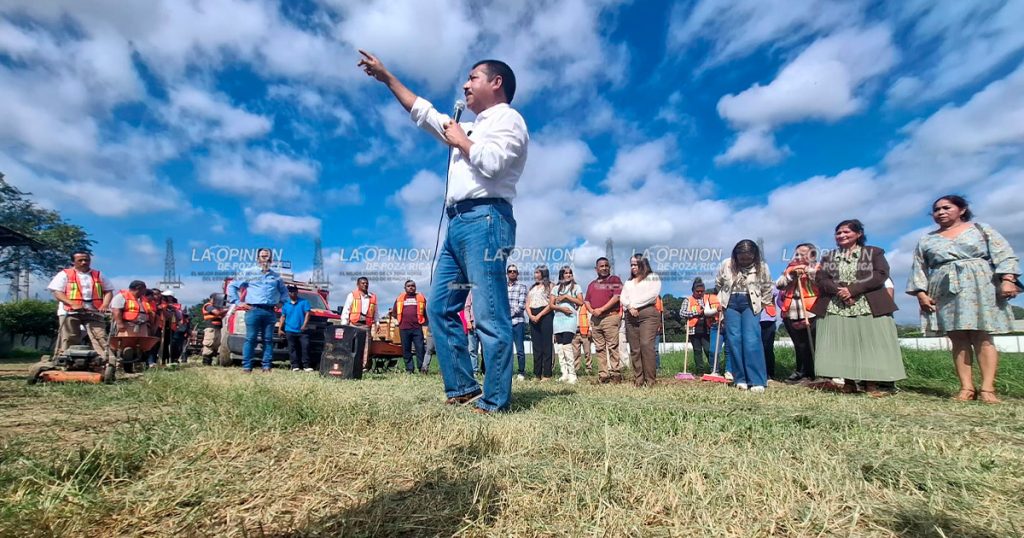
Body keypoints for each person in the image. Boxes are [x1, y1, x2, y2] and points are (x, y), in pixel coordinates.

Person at [359, 51, 527, 413]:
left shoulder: (509, 121)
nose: (465, 85)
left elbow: (494, 164)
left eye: (473, 78)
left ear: (496, 83)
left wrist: (460, 141)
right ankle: (463, 387)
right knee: (438, 307)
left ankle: (495, 399)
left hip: (486, 220)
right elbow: (422, 112)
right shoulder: (466, 127)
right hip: (457, 225)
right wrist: (387, 77)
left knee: (489, 311)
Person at [907, 195, 1020, 403]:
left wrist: (1008, 279)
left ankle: (987, 389)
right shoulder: (927, 239)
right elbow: (919, 267)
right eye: (936, 209)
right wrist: (921, 293)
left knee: (982, 335)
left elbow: (1005, 254)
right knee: (957, 337)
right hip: (944, 288)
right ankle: (966, 387)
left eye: (946, 207)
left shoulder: (980, 229)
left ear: (962, 209)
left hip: (980, 283)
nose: (940, 212)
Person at [812, 220, 905, 396]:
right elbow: (821, 278)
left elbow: (880, 274)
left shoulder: (873, 253)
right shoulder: (829, 257)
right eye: (838, 233)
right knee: (844, 344)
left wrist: (853, 290)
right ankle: (848, 383)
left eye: (846, 232)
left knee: (870, 343)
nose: (841, 235)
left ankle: (871, 385)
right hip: (836, 306)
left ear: (858, 234)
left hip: (867, 304)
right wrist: (840, 291)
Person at [715, 240, 774, 392]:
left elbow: (767, 286)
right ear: (736, 255)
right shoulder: (727, 264)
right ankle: (739, 379)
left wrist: (765, 304)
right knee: (734, 339)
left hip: (751, 303)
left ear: (754, 256)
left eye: (748, 258)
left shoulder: (762, 267)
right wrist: (722, 299)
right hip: (731, 303)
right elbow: (718, 282)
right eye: (741, 258)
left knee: (751, 339)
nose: (745, 261)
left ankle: (757, 380)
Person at [228, 247, 288, 373]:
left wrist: (281, 302)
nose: (265, 258)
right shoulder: (249, 272)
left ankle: (266, 366)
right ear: (258, 259)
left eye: (267, 256)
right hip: (253, 310)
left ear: (271, 259)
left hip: (270, 311)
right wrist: (238, 302)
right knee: (251, 338)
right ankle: (247, 367)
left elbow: (284, 292)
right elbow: (232, 286)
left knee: (268, 339)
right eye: (263, 256)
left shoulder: (276, 277)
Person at [46, 251, 114, 361]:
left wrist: (105, 304)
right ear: (73, 262)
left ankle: (107, 361)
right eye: (80, 260)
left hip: (94, 311)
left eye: (86, 260)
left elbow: (108, 291)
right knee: (69, 337)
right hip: (70, 311)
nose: (84, 262)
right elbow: (57, 292)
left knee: (100, 336)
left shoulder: (98, 275)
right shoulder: (64, 274)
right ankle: (65, 361)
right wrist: (72, 303)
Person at [776, 243, 820, 383]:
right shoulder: (789, 269)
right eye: (797, 254)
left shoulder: (818, 267)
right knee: (799, 344)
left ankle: (816, 373)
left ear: (812, 255)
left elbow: (821, 282)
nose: (799, 257)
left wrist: (807, 271)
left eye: (803, 254)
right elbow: (779, 284)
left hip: (811, 309)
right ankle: (801, 372)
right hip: (792, 311)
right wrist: (791, 276)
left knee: (812, 342)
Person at [620, 255, 662, 387]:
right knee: (635, 348)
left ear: (643, 264)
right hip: (630, 315)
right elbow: (622, 297)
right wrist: (629, 307)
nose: (633, 267)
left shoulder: (652, 277)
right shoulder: (628, 282)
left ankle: (650, 380)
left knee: (646, 345)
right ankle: (639, 379)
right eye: (631, 265)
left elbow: (652, 295)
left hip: (647, 314)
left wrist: (634, 305)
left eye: (635, 264)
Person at [584, 257, 623, 384]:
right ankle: (603, 375)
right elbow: (586, 301)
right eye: (601, 266)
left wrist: (601, 309)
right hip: (595, 319)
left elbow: (617, 297)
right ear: (596, 269)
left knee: (612, 346)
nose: (604, 268)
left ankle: (615, 374)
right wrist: (592, 310)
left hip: (610, 317)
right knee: (599, 348)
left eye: (606, 265)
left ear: (609, 267)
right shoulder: (591, 284)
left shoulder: (614, 280)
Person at [551, 266, 583, 384]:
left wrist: (566, 297)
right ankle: (564, 372)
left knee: (567, 345)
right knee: (559, 347)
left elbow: (581, 301)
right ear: (561, 275)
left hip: (570, 318)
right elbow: (551, 305)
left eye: (570, 273)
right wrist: (561, 308)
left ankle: (572, 374)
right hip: (558, 319)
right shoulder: (555, 288)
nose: (568, 275)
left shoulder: (576, 287)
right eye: (566, 273)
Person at [679, 277, 719, 374]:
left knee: (708, 349)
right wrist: (696, 313)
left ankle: (713, 370)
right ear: (693, 291)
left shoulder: (707, 299)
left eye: (702, 291)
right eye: (698, 291)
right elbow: (682, 313)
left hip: (707, 329)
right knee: (697, 351)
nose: (700, 293)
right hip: (693, 330)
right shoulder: (687, 300)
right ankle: (700, 370)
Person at [341, 276, 378, 372]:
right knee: (352, 345)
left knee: (366, 347)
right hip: (353, 324)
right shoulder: (352, 295)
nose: (365, 285)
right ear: (358, 285)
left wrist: (377, 323)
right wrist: (344, 325)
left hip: (366, 325)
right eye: (363, 283)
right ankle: (351, 364)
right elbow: (346, 310)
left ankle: (363, 366)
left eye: (367, 283)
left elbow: (376, 312)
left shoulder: (372, 297)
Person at [393, 280, 428, 374]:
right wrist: (399, 322)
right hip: (404, 328)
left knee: (420, 349)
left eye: (413, 286)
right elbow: (395, 313)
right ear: (405, 288)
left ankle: (421, 369)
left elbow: (426, 313)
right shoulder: (399, 298)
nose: (411, 287)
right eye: (408, 286)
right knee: (406, 349)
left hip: (417, 328)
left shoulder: (421, 298)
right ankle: (409, 369)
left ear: (415, 287)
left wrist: (425, 326)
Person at [528, 266, 554, 380]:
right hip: (532, 314)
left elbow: (551, 304)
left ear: (543, 273)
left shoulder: (550, 286)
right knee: (536, 346)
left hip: (545, 314)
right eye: (535, 272)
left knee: (546, 345)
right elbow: (527, 304)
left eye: (538, 272)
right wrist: (531, 315)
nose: (535, 274)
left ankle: (547, 374)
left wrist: (539, 315)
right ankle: (537, 374)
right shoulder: (532, 288)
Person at [280, 285, 313, 372]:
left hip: (302, 330)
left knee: (305, 347)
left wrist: (304, 325)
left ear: (297, 292)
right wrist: (280, 329)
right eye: (290, 292)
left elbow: (308, 313)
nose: (292, 293)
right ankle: (295, 365)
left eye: (294, 291)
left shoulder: (304, 302)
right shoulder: (286, 304)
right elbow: (283, 317)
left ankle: (306, 365)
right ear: (288, 293)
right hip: (289, 330)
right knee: (292, 348)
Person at [507, 265, 529, 380]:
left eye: (514, 271)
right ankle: (508, 372)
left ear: (517, 274)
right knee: (507, 350)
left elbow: (521, 306)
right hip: (505, 324)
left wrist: (506, 315)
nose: (512, 273)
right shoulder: (502, 288)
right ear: (507, 274)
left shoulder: (522, 287)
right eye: (510, 271)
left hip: (518, 322)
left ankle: (521, 372)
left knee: (520, 349)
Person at [201, 293, 228, 366]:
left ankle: (210, 361)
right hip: (211, 328)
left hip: (217, 328)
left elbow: (220, 315)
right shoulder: (208, 306)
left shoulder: (217, 307)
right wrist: (226, 310)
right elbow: (217, 313)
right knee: (209, 344)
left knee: (215, 345)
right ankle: (206, 363)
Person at [760, 288, 780, 379]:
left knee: (768, 348)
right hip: (754, 319)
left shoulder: (770, 285)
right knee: (755, 348)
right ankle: (758, 372)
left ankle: (770, 373)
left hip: (769, 319)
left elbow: (776, 292)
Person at [464, 291, 484, 375]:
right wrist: (468, 321)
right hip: (472, 325)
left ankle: (485, 371)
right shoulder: (471, 292)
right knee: (472, 350)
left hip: (484, 326)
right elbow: (466, 308)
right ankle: (474, 371)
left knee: (485, 351)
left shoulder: (486, 291)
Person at [571, 304, 592, 374]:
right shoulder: (571, 307)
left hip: (584, 332)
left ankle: (589, 369)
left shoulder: (585, 307)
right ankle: (577, 369)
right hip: (574, 333)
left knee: (587, 352)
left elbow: (589, 317)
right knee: (575, 353)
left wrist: (590, 330)